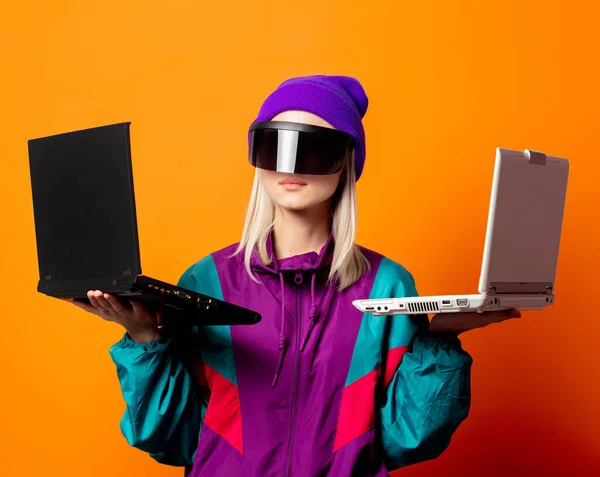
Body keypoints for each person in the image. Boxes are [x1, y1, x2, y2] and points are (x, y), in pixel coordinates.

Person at [71, 75, 520, 476]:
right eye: (274, 144)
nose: (290, 166)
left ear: (346, 161)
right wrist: (146, 342)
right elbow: (172, 439)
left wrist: (439, 341)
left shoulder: (388, 287)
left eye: (314, 147)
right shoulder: (206, 281)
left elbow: (407, 440)